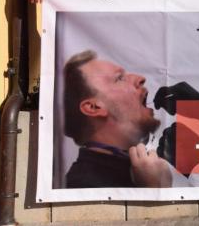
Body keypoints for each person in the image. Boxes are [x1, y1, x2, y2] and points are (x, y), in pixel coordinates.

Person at [62, 50, 171, 188]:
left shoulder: (140, 166)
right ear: (94, 107)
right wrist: (155, 190)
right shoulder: (80, 185)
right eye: (119, 78)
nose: (140, 78)